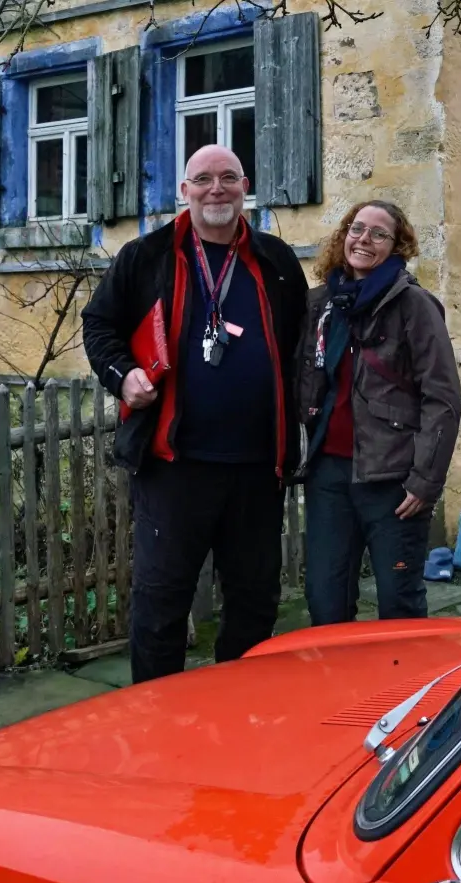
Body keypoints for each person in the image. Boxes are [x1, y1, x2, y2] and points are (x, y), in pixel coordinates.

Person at [79, 144, 307, 683]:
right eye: (203, 179)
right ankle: (156, 710)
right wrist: (123, 375)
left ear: (245, 187)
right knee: (162, 603)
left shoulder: (276, 262)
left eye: (228, 177)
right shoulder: (147, 256)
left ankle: (238, 705)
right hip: (173, 466)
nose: (216, 189)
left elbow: (298, 342)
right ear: (184, 191)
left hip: (258, 467)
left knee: (254, 600)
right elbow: (99, 325)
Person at [295, 200, 461, 625]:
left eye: (378, 233)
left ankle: (405, 673)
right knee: (326, 602)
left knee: (398, 603)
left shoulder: (413, 305)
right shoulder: (321, 305)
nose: (364, 239)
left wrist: (425, 481)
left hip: (393, 478)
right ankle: (341, 673)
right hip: (329, 475)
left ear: (396, 246)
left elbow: (442, 398)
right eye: (357, 228)